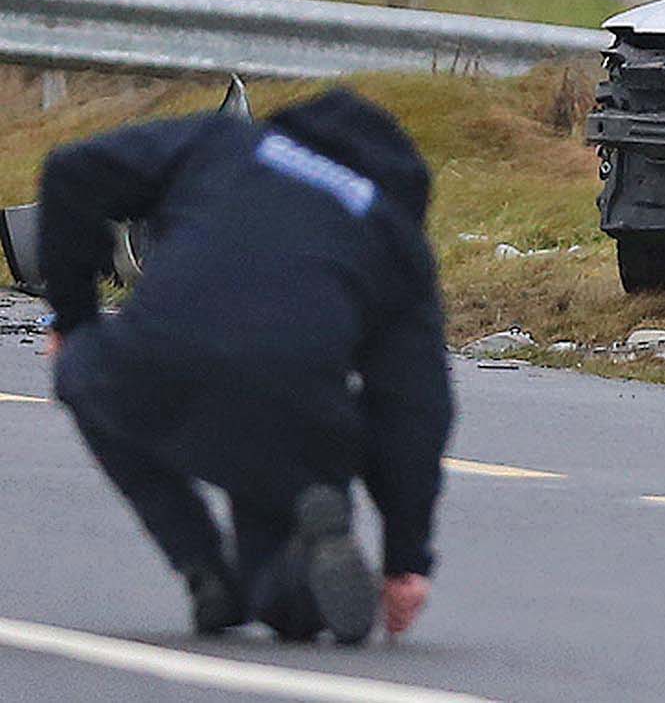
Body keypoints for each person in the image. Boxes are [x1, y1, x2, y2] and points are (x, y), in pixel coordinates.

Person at [37, 88, 454, 644]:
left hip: (153, 363)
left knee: (85, 369)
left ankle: (204, 568)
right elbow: (412, 405)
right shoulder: (393, 237)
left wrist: (73, 317)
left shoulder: (225, 144)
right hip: (293, 410)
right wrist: (406, 558)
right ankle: (294, 556)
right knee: (290, 604)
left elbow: (71, 171)